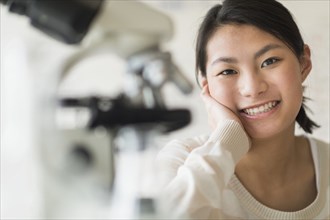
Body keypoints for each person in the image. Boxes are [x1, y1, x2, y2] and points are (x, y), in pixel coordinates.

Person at [156, 0, 329, 219]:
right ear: (206, 86)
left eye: (270, 61)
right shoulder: (181, 162)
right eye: (227, 71)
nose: (252, 88)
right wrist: (226, 141)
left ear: (303, 63)